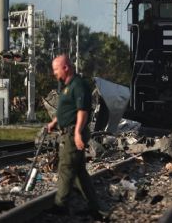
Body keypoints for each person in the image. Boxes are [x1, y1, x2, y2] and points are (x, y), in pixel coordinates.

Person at [46, 54, 108, 220]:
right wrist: (54, 121)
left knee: (66, 167)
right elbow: (69, 109)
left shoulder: (78, 85)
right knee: (79, 172)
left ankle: (61, 206)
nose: (54, 73)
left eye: (56, 69)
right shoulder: (67, 86)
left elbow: (82, 111)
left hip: (73, 133)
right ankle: (95, 208)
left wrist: (78, 133)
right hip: (69, 131)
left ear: (66, 67)